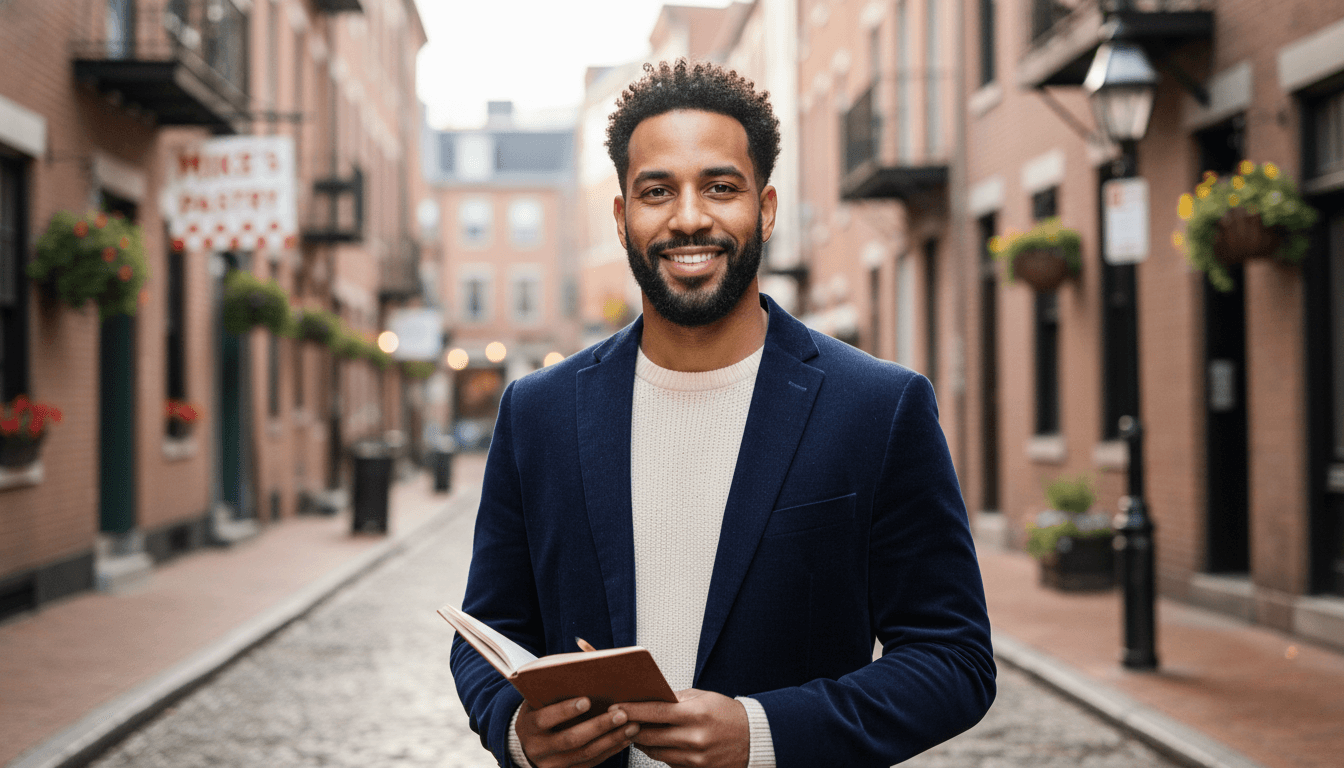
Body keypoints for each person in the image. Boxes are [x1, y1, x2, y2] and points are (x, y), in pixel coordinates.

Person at [449, 59, 995, 768]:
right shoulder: (538, 412)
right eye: (656, 191)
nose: (689, 218)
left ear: (764, 208)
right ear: (622, 218)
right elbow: (486, 632)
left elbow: (953, 659)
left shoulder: (878, 407)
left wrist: (762, 732)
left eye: (720, 187)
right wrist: (517, 732)